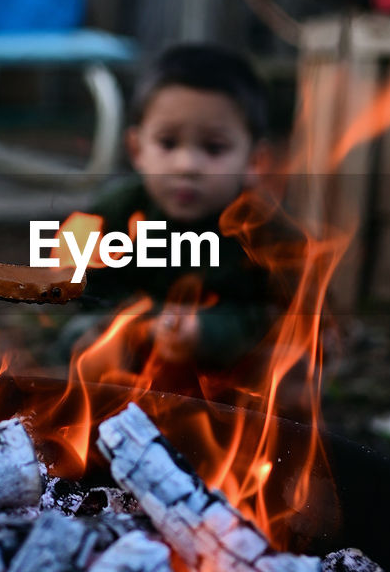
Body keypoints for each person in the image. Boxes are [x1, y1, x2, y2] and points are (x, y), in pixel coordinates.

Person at [57, 43, 302, 391]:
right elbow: (93, 298)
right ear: (137, 149)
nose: (186, 165)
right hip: (134, 357)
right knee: (79, 339)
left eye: (214, 148)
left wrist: (206, 332)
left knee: (285, 365)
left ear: (255, 162)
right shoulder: (115, 212)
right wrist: (141, 326)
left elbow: (267, 315)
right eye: (168, 143)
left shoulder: (264, 228)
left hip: (221, 372)